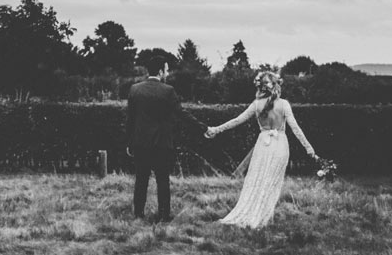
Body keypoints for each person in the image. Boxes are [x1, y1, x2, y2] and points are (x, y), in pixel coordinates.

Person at [204, 69, 317, 228]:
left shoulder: (256, 105)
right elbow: (296, 129)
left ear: (260, 87)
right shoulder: (284, 104)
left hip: (263, 144)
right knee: (271, 183)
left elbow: (237, 120)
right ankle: (262, 218)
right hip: (280, 145)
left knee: (257, 181)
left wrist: (216, 129)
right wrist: (309, 148)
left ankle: (256, 215)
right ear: (276, 85)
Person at [125, 58, 204, 222]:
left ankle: (138, 214)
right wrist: (203, 128)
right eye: (166, 70)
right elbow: (181, 113)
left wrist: (129, 142)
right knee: (162, 181)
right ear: (161, 71)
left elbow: (130, 119)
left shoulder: (135, 89)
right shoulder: (168, 91)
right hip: (161, 143)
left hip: (140, 143)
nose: (167, 73)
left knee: (141, 180)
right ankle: (163, 215)